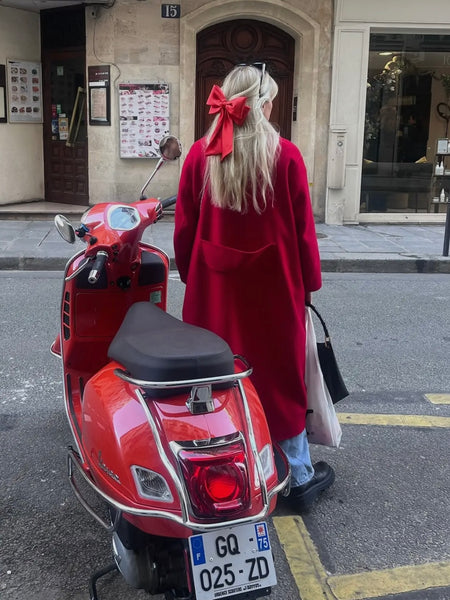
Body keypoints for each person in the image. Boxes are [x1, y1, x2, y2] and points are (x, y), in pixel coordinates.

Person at [174, 64, 335, 512]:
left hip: (214, 290)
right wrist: (309, 286)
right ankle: (297, 475)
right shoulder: (285, 155)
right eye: (270, 100)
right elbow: (304, 232)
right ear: (261, 104)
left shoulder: (199, 155)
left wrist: (191, 275)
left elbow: (184, 230)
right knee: (280, 378)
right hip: (275, 288)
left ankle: (221, 472)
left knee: (217, 379)